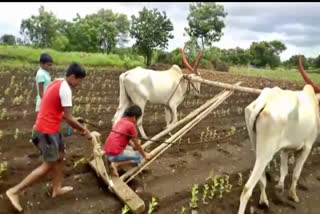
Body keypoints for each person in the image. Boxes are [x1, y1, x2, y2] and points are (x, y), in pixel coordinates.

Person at [6, 62, 92, 212]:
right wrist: (85, 132)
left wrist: (75, 120)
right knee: (48, 165)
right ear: (72, 77)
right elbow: (68, 118)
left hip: (50, 128)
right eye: (79, 80)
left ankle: (56, 189)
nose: (79, 84)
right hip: (46, 131)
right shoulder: (66, 89)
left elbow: (60, 112)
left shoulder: (57, 82)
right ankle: (14, 191)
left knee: (60, 157)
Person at [104, 105, 152, 177]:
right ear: (134, 116)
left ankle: (117, 163)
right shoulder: (131, 125)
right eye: (138, 118)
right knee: (139, 157)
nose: (138, 120)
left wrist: (132, 145)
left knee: (130, 150)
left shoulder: (121, 121)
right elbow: (137, 144)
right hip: (114, 156)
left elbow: (125, 138)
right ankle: (116, 164)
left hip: (107, 153)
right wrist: (145, 154)